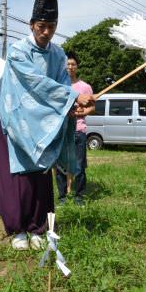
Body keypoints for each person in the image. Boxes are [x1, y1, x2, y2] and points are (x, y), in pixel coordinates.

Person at [0, 0, 95, 250]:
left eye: (51, 27)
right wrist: (72, 98)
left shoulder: (59, 54)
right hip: (16, 122)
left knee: (40, 178)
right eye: (41, 26)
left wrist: (72, 108)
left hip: (43, 125)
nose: (46, 32)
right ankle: (17, 230)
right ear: (32, 25)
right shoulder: (18, 51)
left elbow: (62, 84)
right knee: (19, 179)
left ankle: (38, 227)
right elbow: (35, 82)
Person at [56, 51, 94, 205]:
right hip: (62, 131)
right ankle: (62, 197)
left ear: (77, 67)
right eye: (68, 64)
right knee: (60, 167)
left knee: (79, 165)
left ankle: (79, 196)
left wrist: (82, 111)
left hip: (78, 130)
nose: (70, 67)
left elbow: (92, 107)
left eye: (73, 64)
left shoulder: (84, 87)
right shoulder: (58, 86)